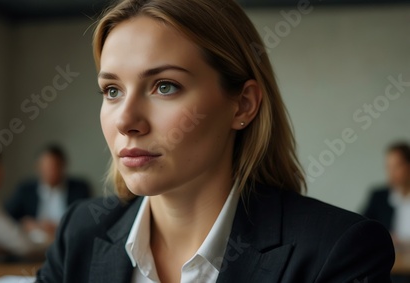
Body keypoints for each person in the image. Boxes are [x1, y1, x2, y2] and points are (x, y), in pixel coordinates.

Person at [36, 0, 395, 282]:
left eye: (165, 86)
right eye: (112, 90)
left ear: (243, 104)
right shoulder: (80, 233)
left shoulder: (337, 251)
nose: (126, 121)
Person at [5, 144, 91, 235]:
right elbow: (7, 216)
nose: (50, 171)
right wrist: (25, 223)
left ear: (63, 166)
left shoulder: (79, 189)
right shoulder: (26, 190)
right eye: (46, 166)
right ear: (38, 167)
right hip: (33, 242)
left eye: (54, 166)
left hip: (67, 240)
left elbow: (87, 219)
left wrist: (59, 226)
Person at [364, 142, 410, 248]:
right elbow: (362, 227)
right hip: (392, 259)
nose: (391, 173)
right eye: (388, 167)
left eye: (397, 166)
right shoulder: (379, 197)